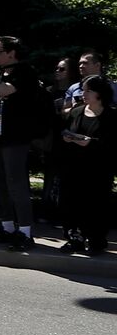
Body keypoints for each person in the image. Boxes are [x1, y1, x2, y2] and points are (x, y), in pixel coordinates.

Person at [0, 36, 45, 251]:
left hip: (15, 137)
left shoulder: (25, 72)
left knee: (16, 184)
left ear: (11, 52)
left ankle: (25, 232)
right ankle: (7, 227)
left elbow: (4, 90)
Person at [58, 76, 116, 253]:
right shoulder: (77, 111)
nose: (83, 93)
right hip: (74, 166)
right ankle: (74, 238)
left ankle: (96, 239)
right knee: (72, 203)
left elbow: (111, 143)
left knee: (96, 204)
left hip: (98, 168)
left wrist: (91, 142)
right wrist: (68, 137)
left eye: (88, 90)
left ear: (100, 94)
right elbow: (65, 131)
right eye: (83, 89)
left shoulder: (111, 116)